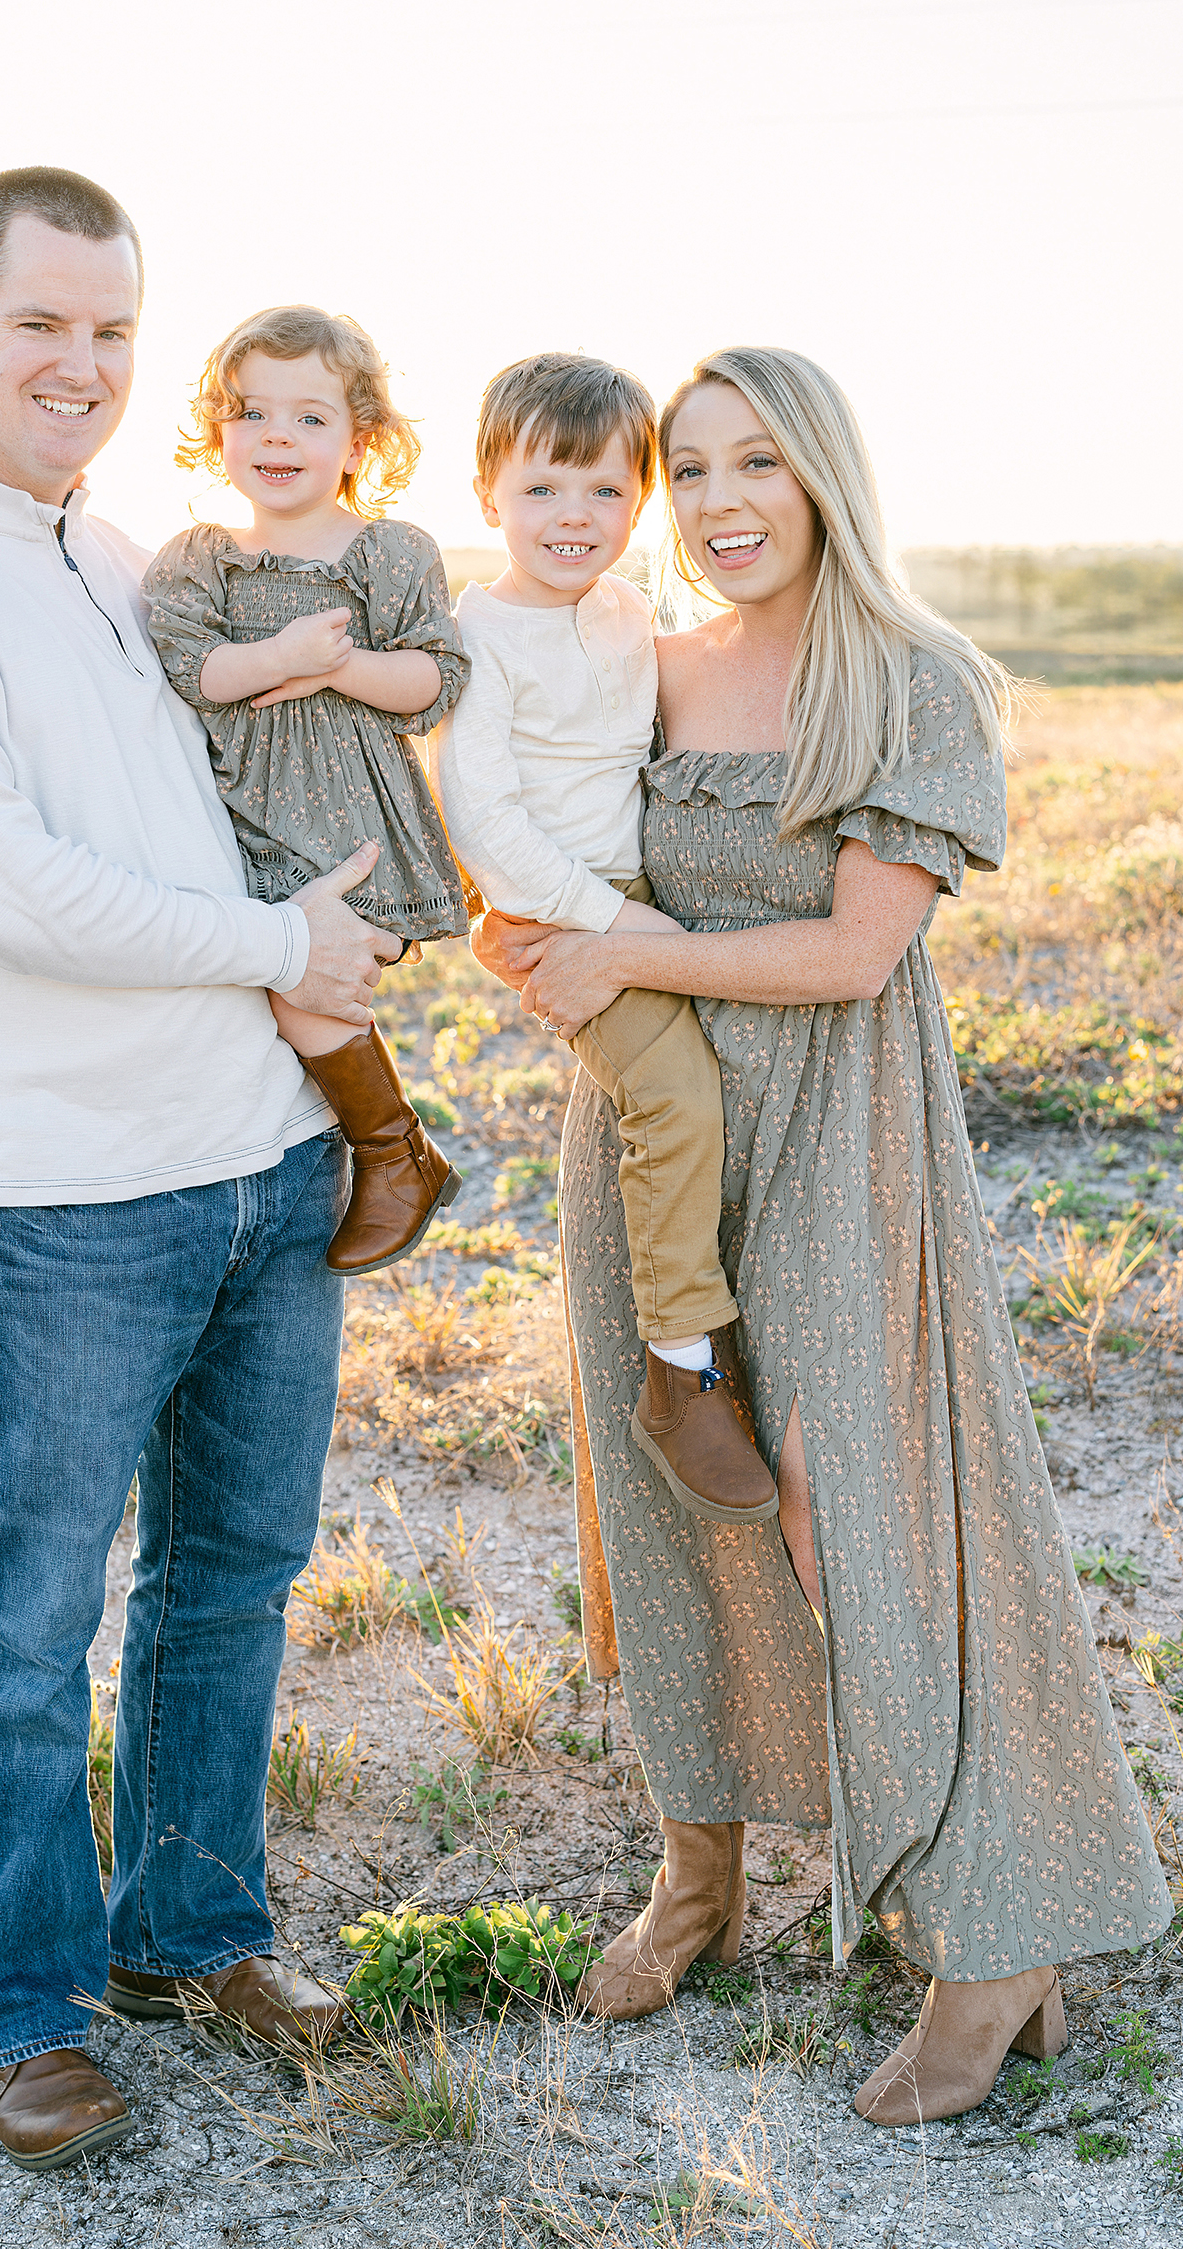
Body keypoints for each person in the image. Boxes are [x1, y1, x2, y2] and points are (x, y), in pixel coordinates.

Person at [472, 346, 1170, 2125]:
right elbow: (550, 865)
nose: (715, 504)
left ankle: (995, 1932)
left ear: (824, 478)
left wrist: (628, 956)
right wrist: (548, 953)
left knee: (858, 1508)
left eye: (753, 465)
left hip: (844, 1143)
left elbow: (861, 952)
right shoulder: (644, 664)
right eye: (685, 470)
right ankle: (698, 1878)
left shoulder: (915, 679)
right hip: (650, 1144)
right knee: (664, 1503)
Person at [0, 169, 396, 2172]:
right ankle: (26, 2009)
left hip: (259, 1166)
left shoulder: (105, 548)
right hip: (69, 1202)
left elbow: (205, 810)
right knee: (27, 1627)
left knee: (228, 1590)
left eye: (115, 332)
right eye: (43, 324)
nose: (82, 365)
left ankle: (193, 1932)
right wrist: (275, 945)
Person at [430, 351, 776, 1523]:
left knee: (726, 1083)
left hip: (634, 891)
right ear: (488, 495)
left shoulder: (630, 610)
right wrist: (611, 921)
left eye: (602, 493)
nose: (572, 519)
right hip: (559, 902)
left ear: (640, 502)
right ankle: (681, 1369)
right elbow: (485, 819)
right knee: (672, 1095)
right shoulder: (474, 635)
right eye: (541, 490)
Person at [144, 305, 468, 1275]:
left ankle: (393, 1152)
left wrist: (333, 669)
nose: (277, 435)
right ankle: (373, 1151)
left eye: (310, 418)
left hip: (348, 825)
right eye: (251, 413)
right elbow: (194, 673)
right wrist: (276, 655)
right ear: (219, 433)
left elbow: (430, 684)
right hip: (247, 819)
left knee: (300, 989)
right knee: (260, 986)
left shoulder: (388, 553)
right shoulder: (203, 558)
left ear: (360, 439)